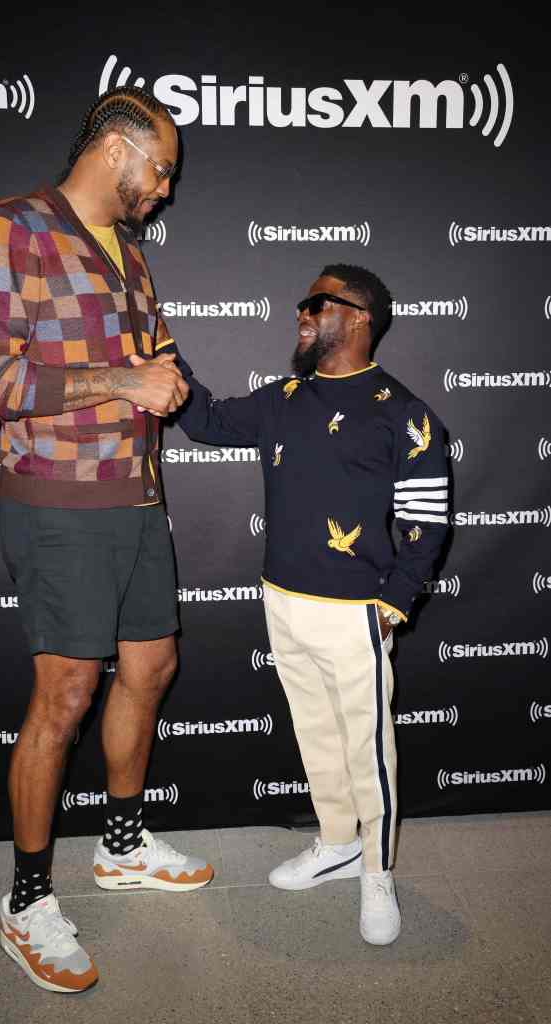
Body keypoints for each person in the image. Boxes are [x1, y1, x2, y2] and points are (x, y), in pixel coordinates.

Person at [0, 85, 213, 995]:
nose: (165, 188)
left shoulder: (131, 254)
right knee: (62, 697)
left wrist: (166, 382)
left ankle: (122, 844)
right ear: (117, 149)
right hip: (58, 500)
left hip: (137, 498)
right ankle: (25, 902)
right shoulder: (15, 226)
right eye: (162, 168)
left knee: (152, 667)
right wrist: (121, 381)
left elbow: (157, 365)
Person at [147, 264, 449, 945]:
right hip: (282, 600)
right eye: (302, 303)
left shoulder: (403, 413)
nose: (301, 314)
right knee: (315, 734)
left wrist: (392, 605)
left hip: (355, 611)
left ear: (360, 317)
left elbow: (425, 519)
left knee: (367, 751)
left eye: (317, 303)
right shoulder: (283, 398)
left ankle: (375, 869)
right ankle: (337, 842)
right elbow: (208, 422)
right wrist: (167, 352)